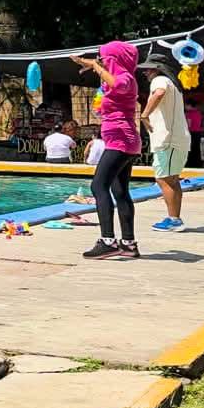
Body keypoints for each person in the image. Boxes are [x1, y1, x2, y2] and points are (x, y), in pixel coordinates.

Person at [73, 42, 142, 259]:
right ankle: (128, 244)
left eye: (105, 58)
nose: (103, 62)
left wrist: (96, 66)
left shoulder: (125, 78)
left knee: (98, 186)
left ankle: (108, 241)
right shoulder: (117, 75)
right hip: (123, 141)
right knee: (119, 191)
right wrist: (88, 63)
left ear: (115, 59)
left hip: (121, 141)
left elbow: (118, 85)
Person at [138, 55, 191, 231]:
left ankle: (174, 220)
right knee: (172, 179)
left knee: (163, 179)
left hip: (167, 139)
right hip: (176, 139)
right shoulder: (173, 85)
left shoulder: (160, 80)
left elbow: (159, 93)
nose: (145, 72)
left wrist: (144, 115)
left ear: (157, 69)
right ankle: (175, 218)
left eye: (148, 69)